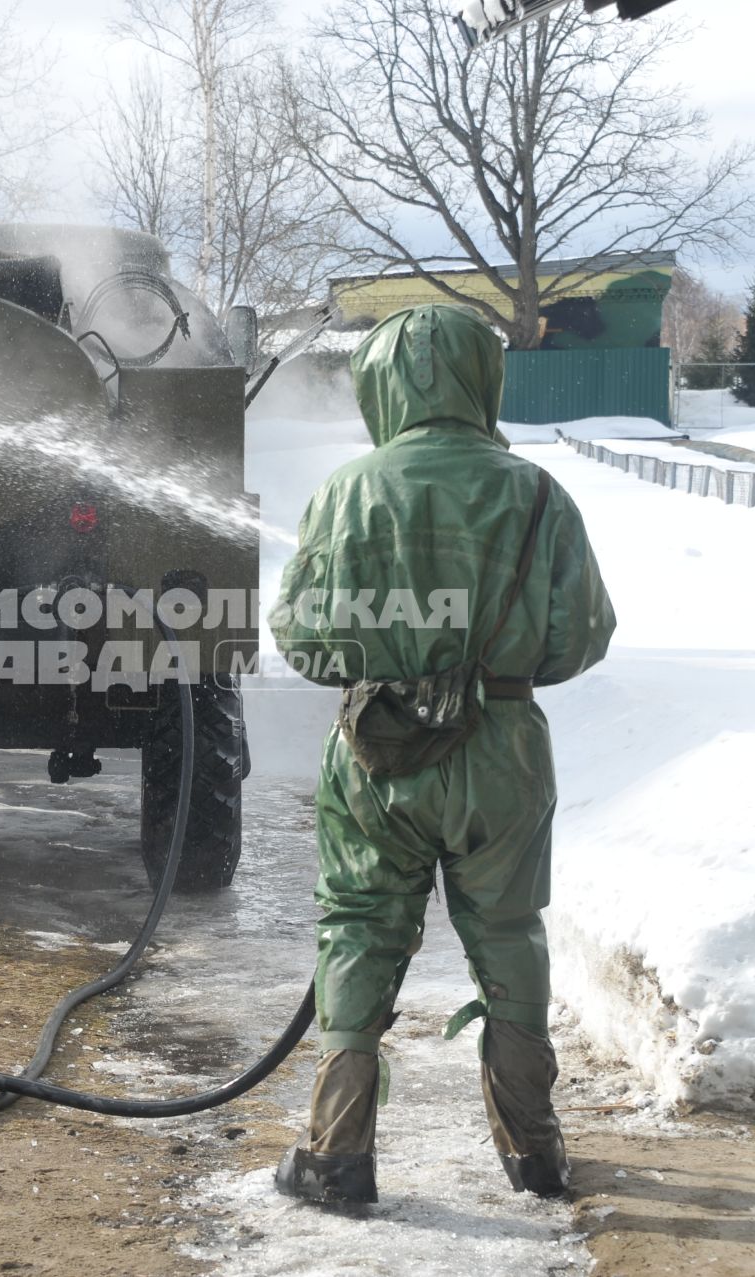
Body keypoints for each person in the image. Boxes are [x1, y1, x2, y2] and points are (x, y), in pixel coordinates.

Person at [268, 303, 615, 1208]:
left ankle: (337, 1155)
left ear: (380, 385)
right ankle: (535, 1151)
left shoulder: (346, 493)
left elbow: (305, 641)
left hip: (378, 755)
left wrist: (391, 664)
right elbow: (582, 638)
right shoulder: (538, 493)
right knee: (509, 935)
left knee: (358, 928)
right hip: (503, 753)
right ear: (481, 378)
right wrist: (491, 674)